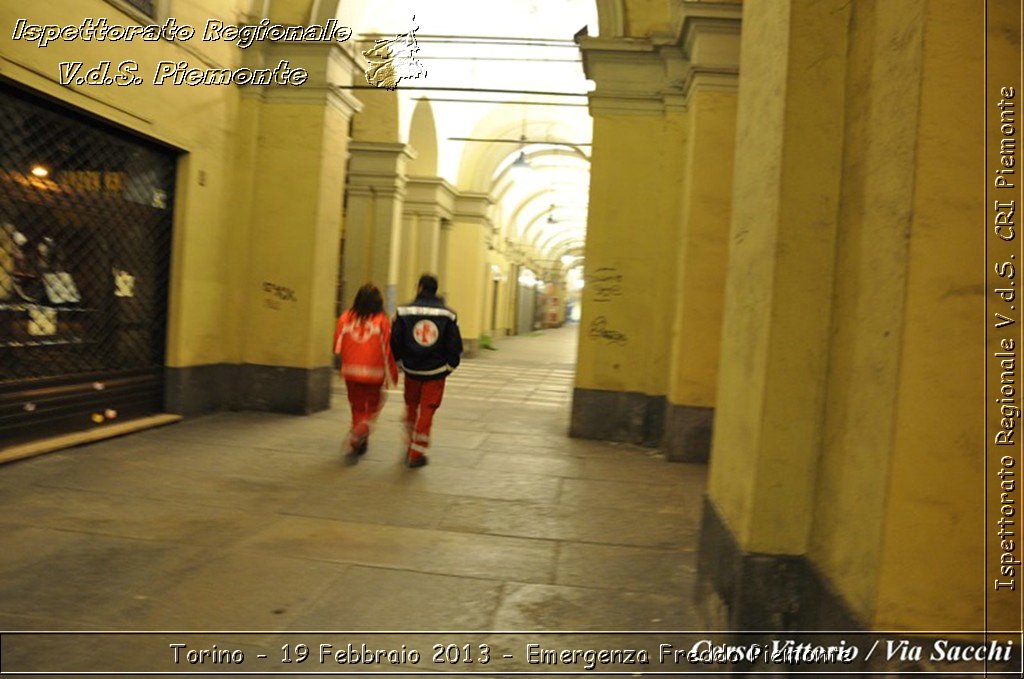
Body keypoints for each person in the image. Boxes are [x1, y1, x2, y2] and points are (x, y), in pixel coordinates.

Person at [390, 273, 463, 468]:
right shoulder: (449, 314)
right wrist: (449, 366)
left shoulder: (403, 311)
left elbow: (395, 339)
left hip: (412, 369)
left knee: (411, 406)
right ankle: (417, 452)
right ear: (435, 289)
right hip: (436, 371)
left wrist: (399, 362)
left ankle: (409, 442)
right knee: (427, 409)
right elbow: (455, 344)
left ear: (420, 287)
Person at [333, 283, 398, 464]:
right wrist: (392, 373)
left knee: (357, 406)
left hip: (350, 372)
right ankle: (361, 430)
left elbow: (337, 346)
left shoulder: (345, 317)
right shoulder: (382, 321)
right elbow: (387, 350)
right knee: (375, 403)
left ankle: (359, 441)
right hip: (373, 373)